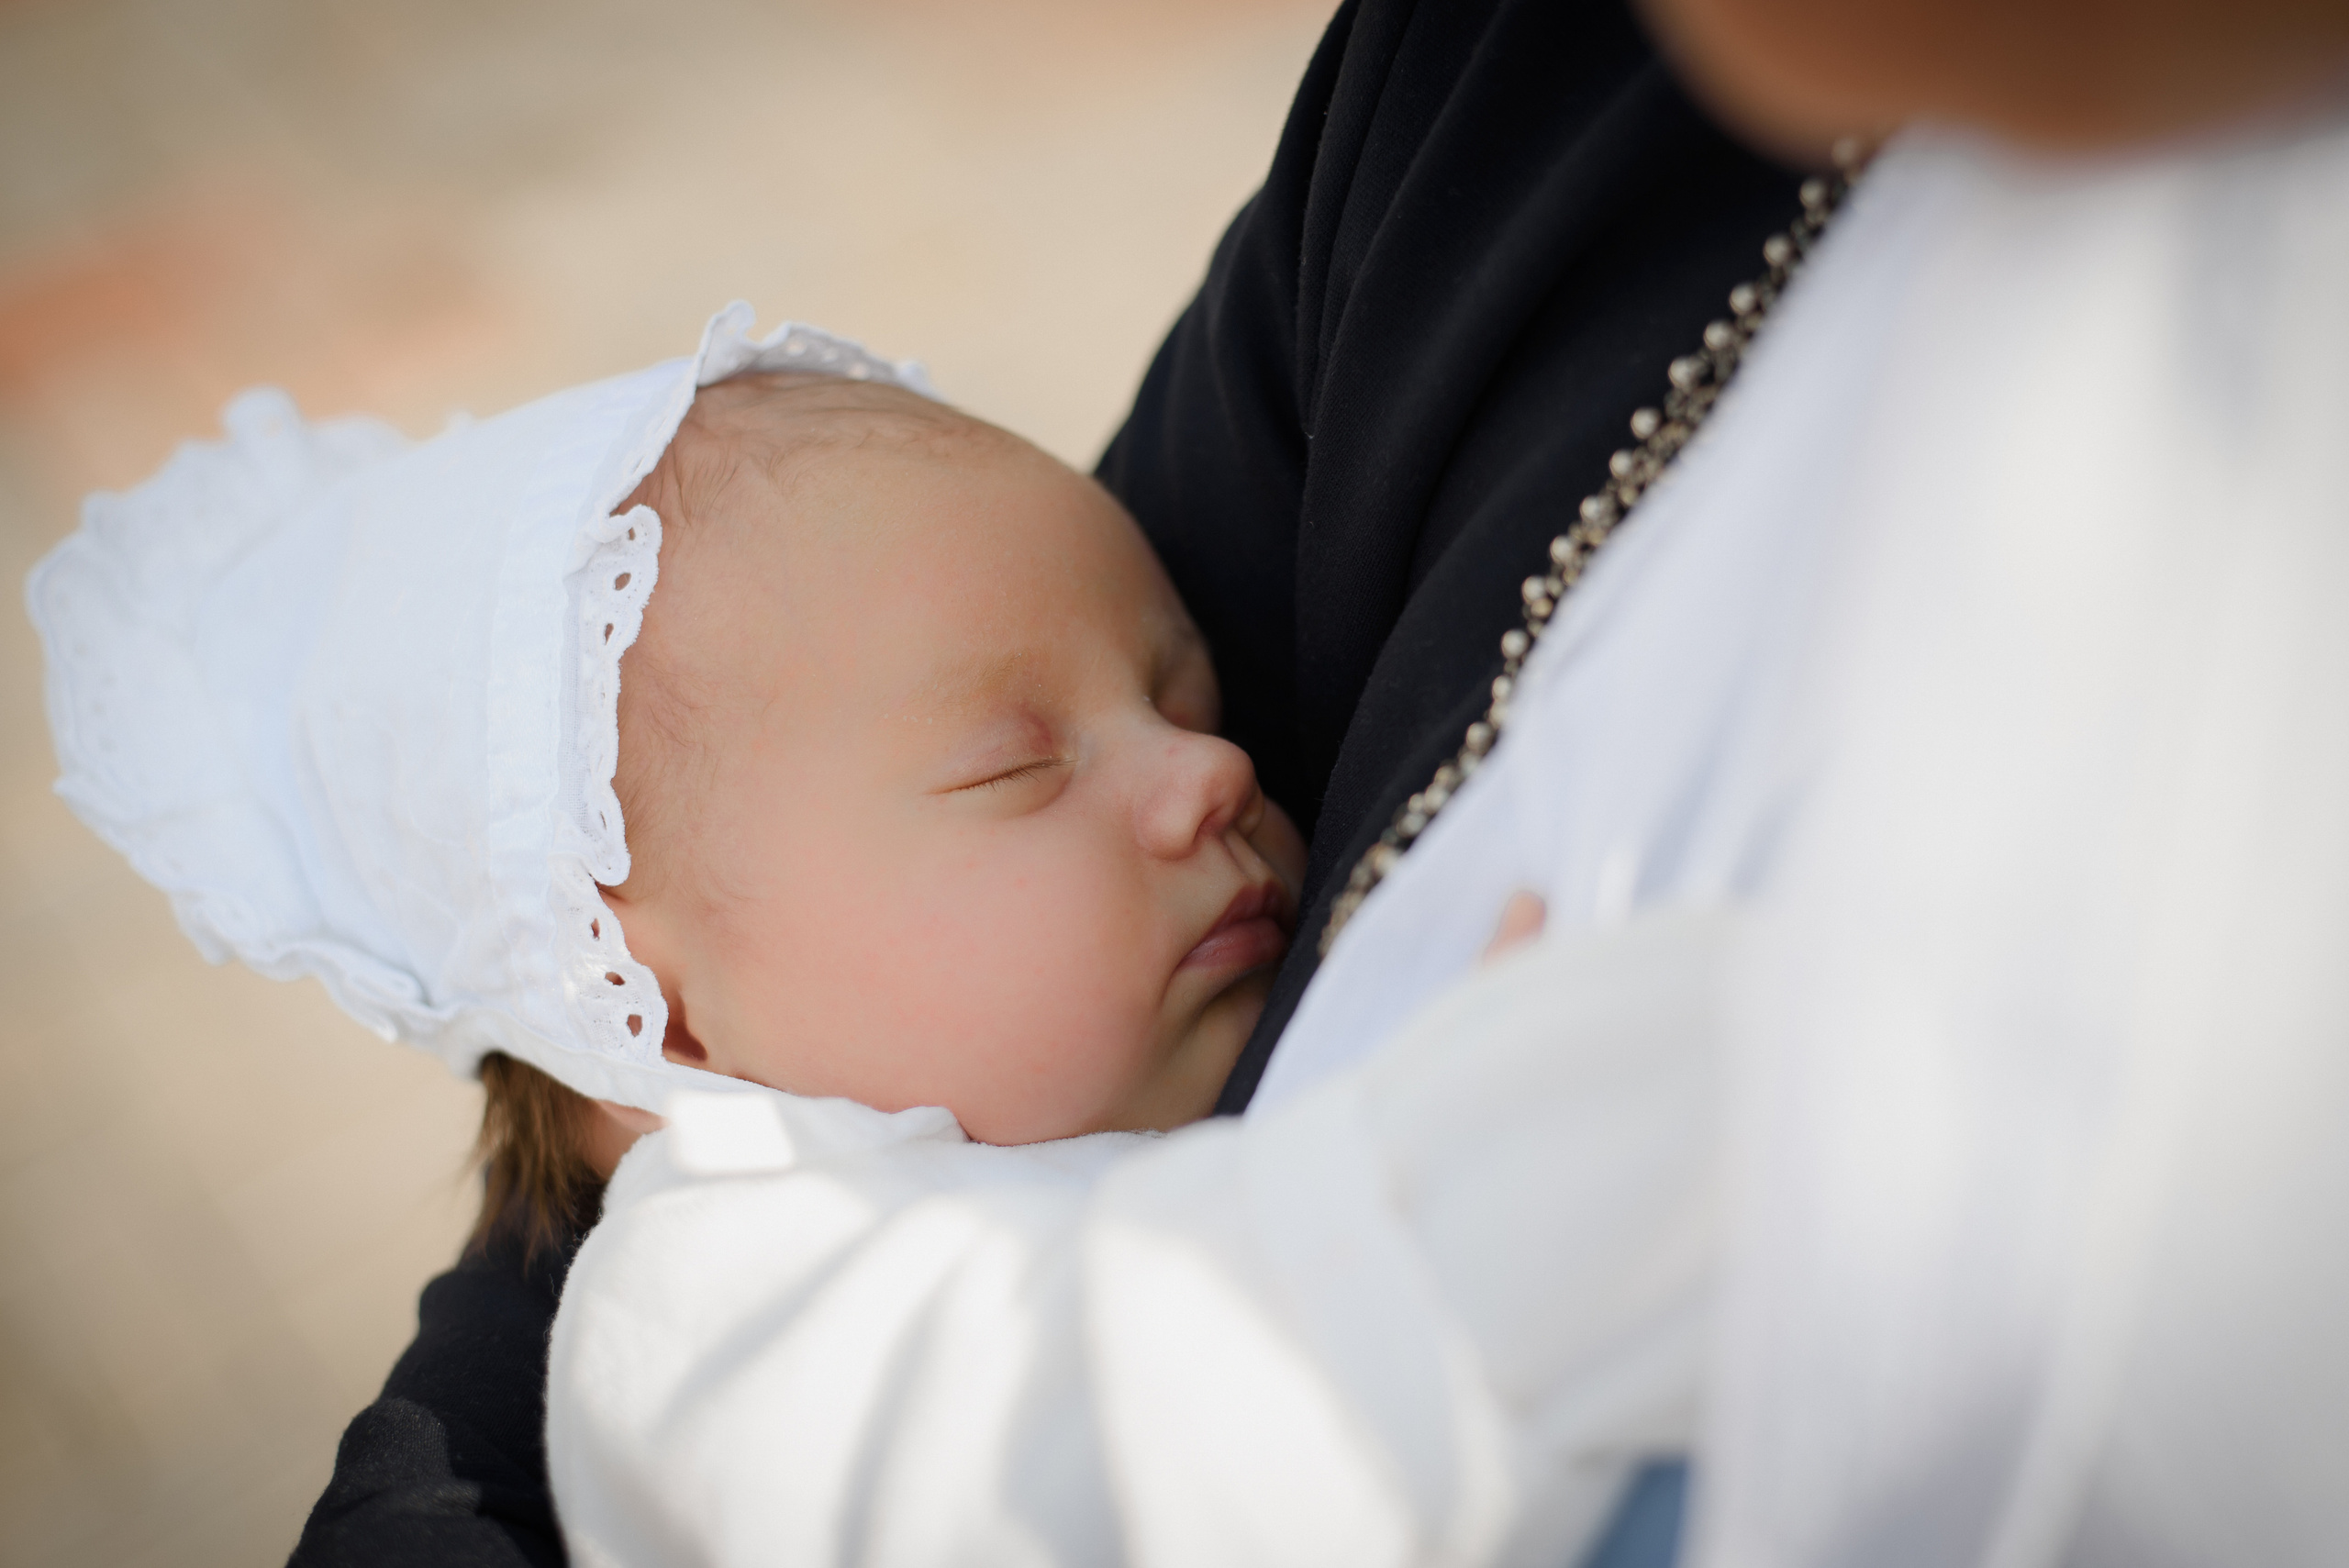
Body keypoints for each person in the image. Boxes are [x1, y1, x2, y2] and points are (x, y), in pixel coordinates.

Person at [280, 3, 1812, 1562]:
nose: (1215, 767)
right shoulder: (725, 1324)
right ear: (672, 1025)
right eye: (1018, 767)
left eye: (1184, 689)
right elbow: (1170, 1461)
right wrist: (1520, 1167)